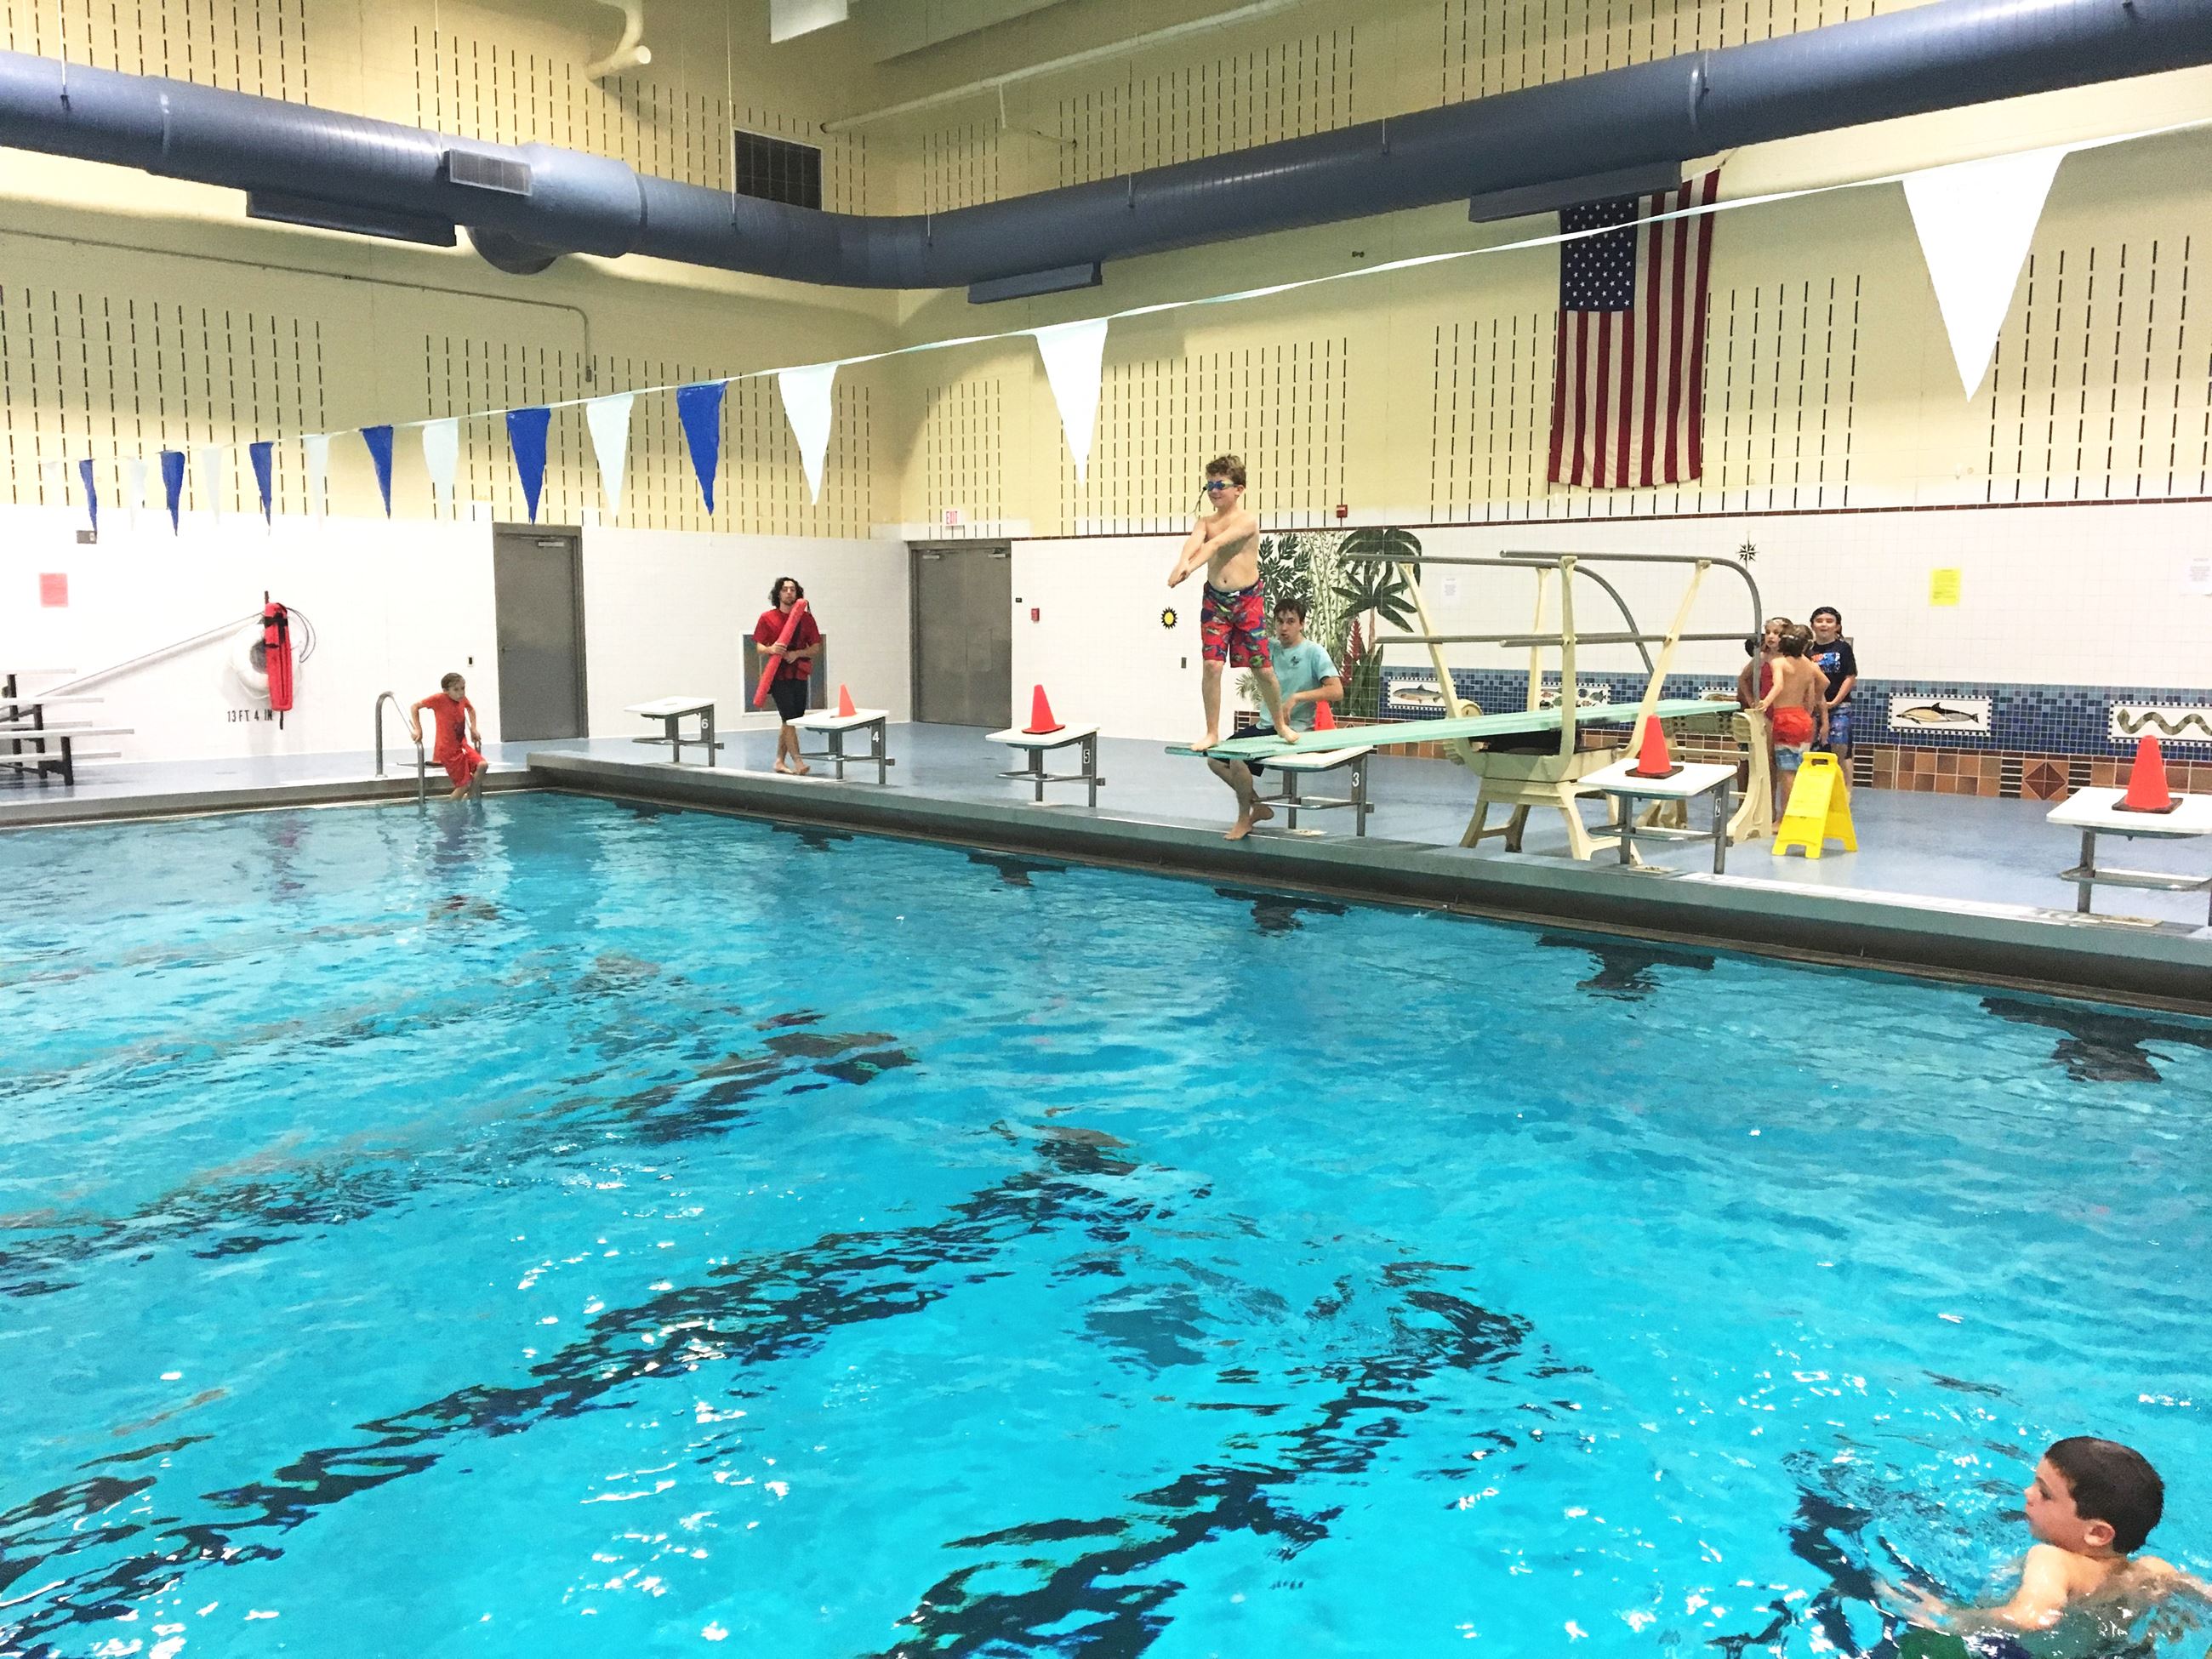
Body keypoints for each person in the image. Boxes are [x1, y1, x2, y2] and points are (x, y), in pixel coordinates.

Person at [1898, 1437, 2204, 1654]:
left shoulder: (2051, 1560)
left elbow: (2033, 1617)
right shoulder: (2152, 1570)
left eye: (2044, 1493)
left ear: (2097, 1533)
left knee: (1915, 1642)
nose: (2027, 1493)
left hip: (2016, 1652)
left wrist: (1951, 1617)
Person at [1166, 454, 1296, 753]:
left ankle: (1280, 723)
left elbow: (1215, 545)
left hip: (1247, 600)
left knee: (1262, 669)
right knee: (1212, 666)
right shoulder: (1205, 521)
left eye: (1220, 485)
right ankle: (1212, 732)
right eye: (1209, 485)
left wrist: (1187, 569)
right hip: (1215, 602)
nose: (1213, 491)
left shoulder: (1247, 521)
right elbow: (1195, 542)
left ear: (1239, 489)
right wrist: (1182, 561)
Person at [1207, 597, 1343, 841]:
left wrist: (1298, 697)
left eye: (1291, 622)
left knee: (1239, 760)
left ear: (1301, 624)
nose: (1284, 628)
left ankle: (1243, 819)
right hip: (1265, 726)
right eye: (1280, 622)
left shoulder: (1313, 652)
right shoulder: (1269, 648)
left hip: (1295, 729)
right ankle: (1258, 804)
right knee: (1215, 760)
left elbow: (1336, 691)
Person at [754, 576, 823, 776]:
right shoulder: (767, 618)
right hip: (777, 675)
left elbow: (815, 647)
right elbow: (758, 647)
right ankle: (798, 761)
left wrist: (796, 654)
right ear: (778, 593)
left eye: (792, 589)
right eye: (785, 589)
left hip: (798, 673)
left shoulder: (806, 619)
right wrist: (771, 648)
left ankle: (779, 761)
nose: (789, 592)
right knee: (789, 717)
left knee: (789, 720)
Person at [1758, 626, 1827, 815]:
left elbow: (1778, 685)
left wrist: (1765, 703)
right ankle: (1799, 811)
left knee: (1787, 772)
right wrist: (1812, 701)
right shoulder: (1810, 664)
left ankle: (1784, 818)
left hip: (1786, 718)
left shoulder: (1779, 662)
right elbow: (1825, 682)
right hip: (1804, 719)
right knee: (1799, 768)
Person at [409, 671, 484, 799]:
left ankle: (470, 797)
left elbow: (470, 709)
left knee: (482, 765)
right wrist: (418, 729)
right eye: (456, 690)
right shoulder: (439, 699)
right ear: (446, 691)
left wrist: (473, 727)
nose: (461, 693)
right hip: (448, 750)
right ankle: (450, 810)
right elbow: (415, 707)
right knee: (463, 785)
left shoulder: (462, 699)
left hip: (462, 745)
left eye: (463, 688)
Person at [1808, 605, 1860, 765]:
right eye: (1819, 621)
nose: (1824, 624)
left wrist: (1835, 701)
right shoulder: (1808, 650)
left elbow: (1850, 677)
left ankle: (1845, 788)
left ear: (1837, 626)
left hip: (1840, 705)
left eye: (1829, 621)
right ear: (1812, 625)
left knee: (1840, 747)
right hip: (1815, 706)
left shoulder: (1843, 648)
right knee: (1815, 747)